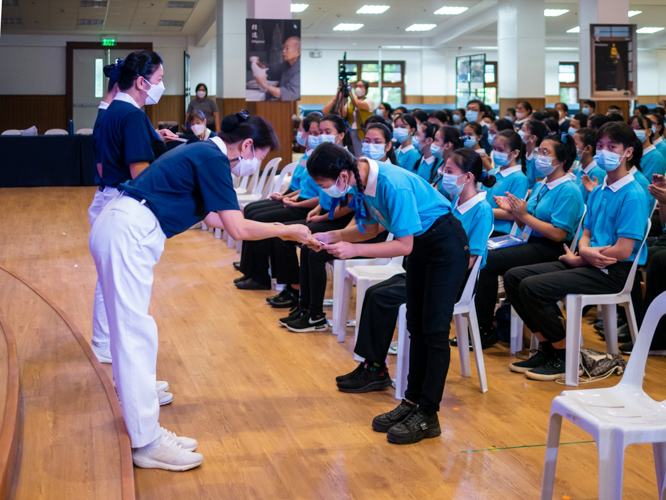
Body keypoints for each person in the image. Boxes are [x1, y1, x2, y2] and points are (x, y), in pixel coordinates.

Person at [89, 111, 317, 470]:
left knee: (133, 332)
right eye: (258, 155)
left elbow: (215, 218)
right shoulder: (212, 157)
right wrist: (285, 229)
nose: (256, 163)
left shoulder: (203, 153)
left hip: (124, 226)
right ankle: (147, 441)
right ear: (245, 145)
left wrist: (276, 226)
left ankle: (145, 424)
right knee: (135, 335)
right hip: (128, 231)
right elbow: (237, 229)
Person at [310, 143, 469, 445]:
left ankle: (429, 414)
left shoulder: (391, 184)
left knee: (434, 331)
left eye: (324, 184)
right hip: (422, 248)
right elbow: (370, 229)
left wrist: (352, 250)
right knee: (415, 327)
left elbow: (403, 244)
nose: (326, 191)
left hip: (444, 246)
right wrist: (334, 235)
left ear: (343, 175)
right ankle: (411, 403)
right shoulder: (360, 181)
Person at [336, 148, 495, 392]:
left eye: (450, 171)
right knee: (375, 292)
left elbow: (470, 257)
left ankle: (377, 369)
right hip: (429, 264)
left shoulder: (481, 210)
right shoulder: (453, 201)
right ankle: (373, 365)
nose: (444, 175)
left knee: (385, 299)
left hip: (455, 277)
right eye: (444, 169)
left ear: (469, 177)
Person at [504, 122, 650, 381]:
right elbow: (586, 233)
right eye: (601, 147)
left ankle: (563, 356)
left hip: (613, 270)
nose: (605, 152)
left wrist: (584, 256)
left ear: (628, 152)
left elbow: (624, 249)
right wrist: (583, 252)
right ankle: (549, 348)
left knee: (533, 287)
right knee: (515, 277)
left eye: (612, 147)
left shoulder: (633, 194)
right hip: (590, 261)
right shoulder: (600, 189)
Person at [90, 50, 178, 367]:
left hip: (107, 196)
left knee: (108, 282)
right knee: (119, 287)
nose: (161, 85)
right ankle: (109, 346)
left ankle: (104, 341)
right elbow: (140, 173)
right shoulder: (131, 115)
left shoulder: (114, 109)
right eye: (159, 80)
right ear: (141, 82)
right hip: (118, 201)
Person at [279, 123, 397, 330]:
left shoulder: (386, 180)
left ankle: (315, 314)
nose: (370, 146)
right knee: (310, 246)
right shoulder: (361, 176)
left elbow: (376, 229)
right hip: (364, 232)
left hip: (382, 238)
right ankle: (305, 308)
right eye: (367, 141)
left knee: (316, 253)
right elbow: (363, 222)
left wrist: (344, 240)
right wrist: (332, 235)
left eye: (376, 142)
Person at [476, 133, 584, 342]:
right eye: (539, 152)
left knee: (488, 261)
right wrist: (516, 213)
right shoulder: (542, 184)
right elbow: (525, 224)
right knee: (483, 252)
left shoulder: (568, 189)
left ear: (562, 160)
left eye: (546, 153)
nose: (540, 157)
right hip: (530, 241)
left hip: (552, 248)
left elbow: (558, 234)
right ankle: (486, 325)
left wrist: (522, 214)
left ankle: (485, 328)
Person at [236, 114, 348, 290]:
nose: (316, 136)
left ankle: (281, 284)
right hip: (314, 209)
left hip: (317, 212)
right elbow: (310, 189)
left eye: (325, 132)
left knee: (275, 229)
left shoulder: (342, 160)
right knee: (252, 211)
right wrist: (287, 197)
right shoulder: (315, 155)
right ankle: (252, 269)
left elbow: (328, 195)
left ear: (341, 134)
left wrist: (300, 205)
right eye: (315, 132)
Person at [322, 79, 374, 156]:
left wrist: (349, 92)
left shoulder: (369, 101)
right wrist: (341, 100)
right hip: (351, 131)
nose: (358, 88)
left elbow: (358, 104)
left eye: (360, 86)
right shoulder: (350, 103)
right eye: (356, 86)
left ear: (366, 89)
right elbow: (343, 114)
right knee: (354, 153)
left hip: (364, 131)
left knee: (362, 153)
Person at [250, 36, 301, 101]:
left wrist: (264, 85)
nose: (283, 51)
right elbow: (271, 69)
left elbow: (289, 94)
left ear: (298, 52)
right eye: (283, 48)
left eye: (287, 48)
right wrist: (258, 63)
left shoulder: (301, 70)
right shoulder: (286, 65)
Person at [571, 127, 606, 203]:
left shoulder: (598, 172)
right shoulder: (577, 170)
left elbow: (595, 203)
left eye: (575, 144)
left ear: (587, 149)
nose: (571, 147)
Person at [628, 114, 666, 179]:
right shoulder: (633, 153)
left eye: (639, 128)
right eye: (631, 129)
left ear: (649, 132)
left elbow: (648, 186)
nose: (634, 132)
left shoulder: (655, 158)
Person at [520, 119, 547, 190]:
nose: (519, 132)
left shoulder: (541, 158)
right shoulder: (523, 152)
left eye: (523, 130)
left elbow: (540, 189)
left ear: (532, 137)